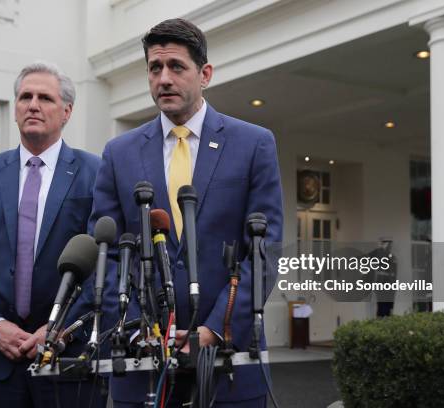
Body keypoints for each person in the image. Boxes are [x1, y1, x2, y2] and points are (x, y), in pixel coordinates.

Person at [88, 18, 283, 407]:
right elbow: (105, 253)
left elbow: (264, 251)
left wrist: (214, 329)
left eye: (176, 67)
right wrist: (139, 328)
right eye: (154, 68)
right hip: (143, 365)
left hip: (229, 365)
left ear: (204, 74)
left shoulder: (254, 144)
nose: (163, 78)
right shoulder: (118, 153)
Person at [0, 62, 104, 408]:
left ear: (66, 112)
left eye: (44, 97)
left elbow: (105, 263)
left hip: (67, 359)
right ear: (16, 108)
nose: (32, 104)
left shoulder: (95, 172)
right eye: (24, 97)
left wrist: (62, 327)